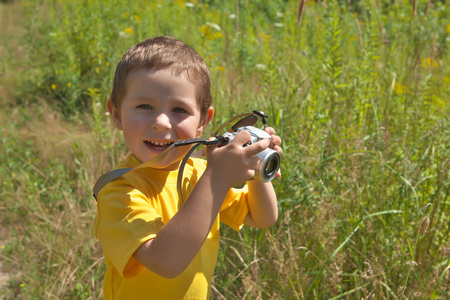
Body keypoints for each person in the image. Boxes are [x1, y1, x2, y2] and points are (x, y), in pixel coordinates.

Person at [94, 36, 282, 299]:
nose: (161, 122)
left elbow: (262, 217)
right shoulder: (118, 193)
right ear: (116, 113)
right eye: (145, 106)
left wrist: (256, 166)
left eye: (179, 110)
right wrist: (217, 177)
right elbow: (165, 262)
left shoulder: (199, 173)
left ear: (203, 121)